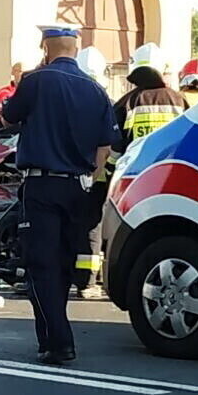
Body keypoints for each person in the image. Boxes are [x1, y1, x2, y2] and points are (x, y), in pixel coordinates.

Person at [2, 24, 121, 365]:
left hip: (41, 185)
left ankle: (58, 341)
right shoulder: (96, 90)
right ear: (74, 48)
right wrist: (89, 176)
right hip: (78, 187)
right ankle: (55, 338)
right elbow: (105, 146)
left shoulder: (37, 82)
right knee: (65, 264)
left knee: (42, 265)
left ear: (46, 47)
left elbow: (10, 117)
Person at [105, 43, 187, 180]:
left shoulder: (125, 103)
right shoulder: (179, 101)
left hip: (134, 176)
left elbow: (116, 147)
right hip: (170, 174)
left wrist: (110, 170)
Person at [73, 46, 111, 299]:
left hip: (64, 175)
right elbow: (107, 148)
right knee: (90, 230)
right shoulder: (103, 102)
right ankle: (87, 283)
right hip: (94, 179)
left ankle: (62, 277)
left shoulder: (63, 99)